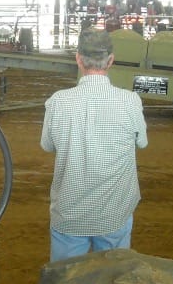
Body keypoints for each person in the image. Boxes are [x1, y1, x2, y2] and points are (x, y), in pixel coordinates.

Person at [40, 29, 148, 261]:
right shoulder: (130, 101)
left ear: (78, 59)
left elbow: (47, 145)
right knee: (112, 280)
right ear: (111, 61)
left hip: (69, 213)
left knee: (65, 283)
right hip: (114, 212)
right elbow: (142, 142)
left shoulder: (58, 101)